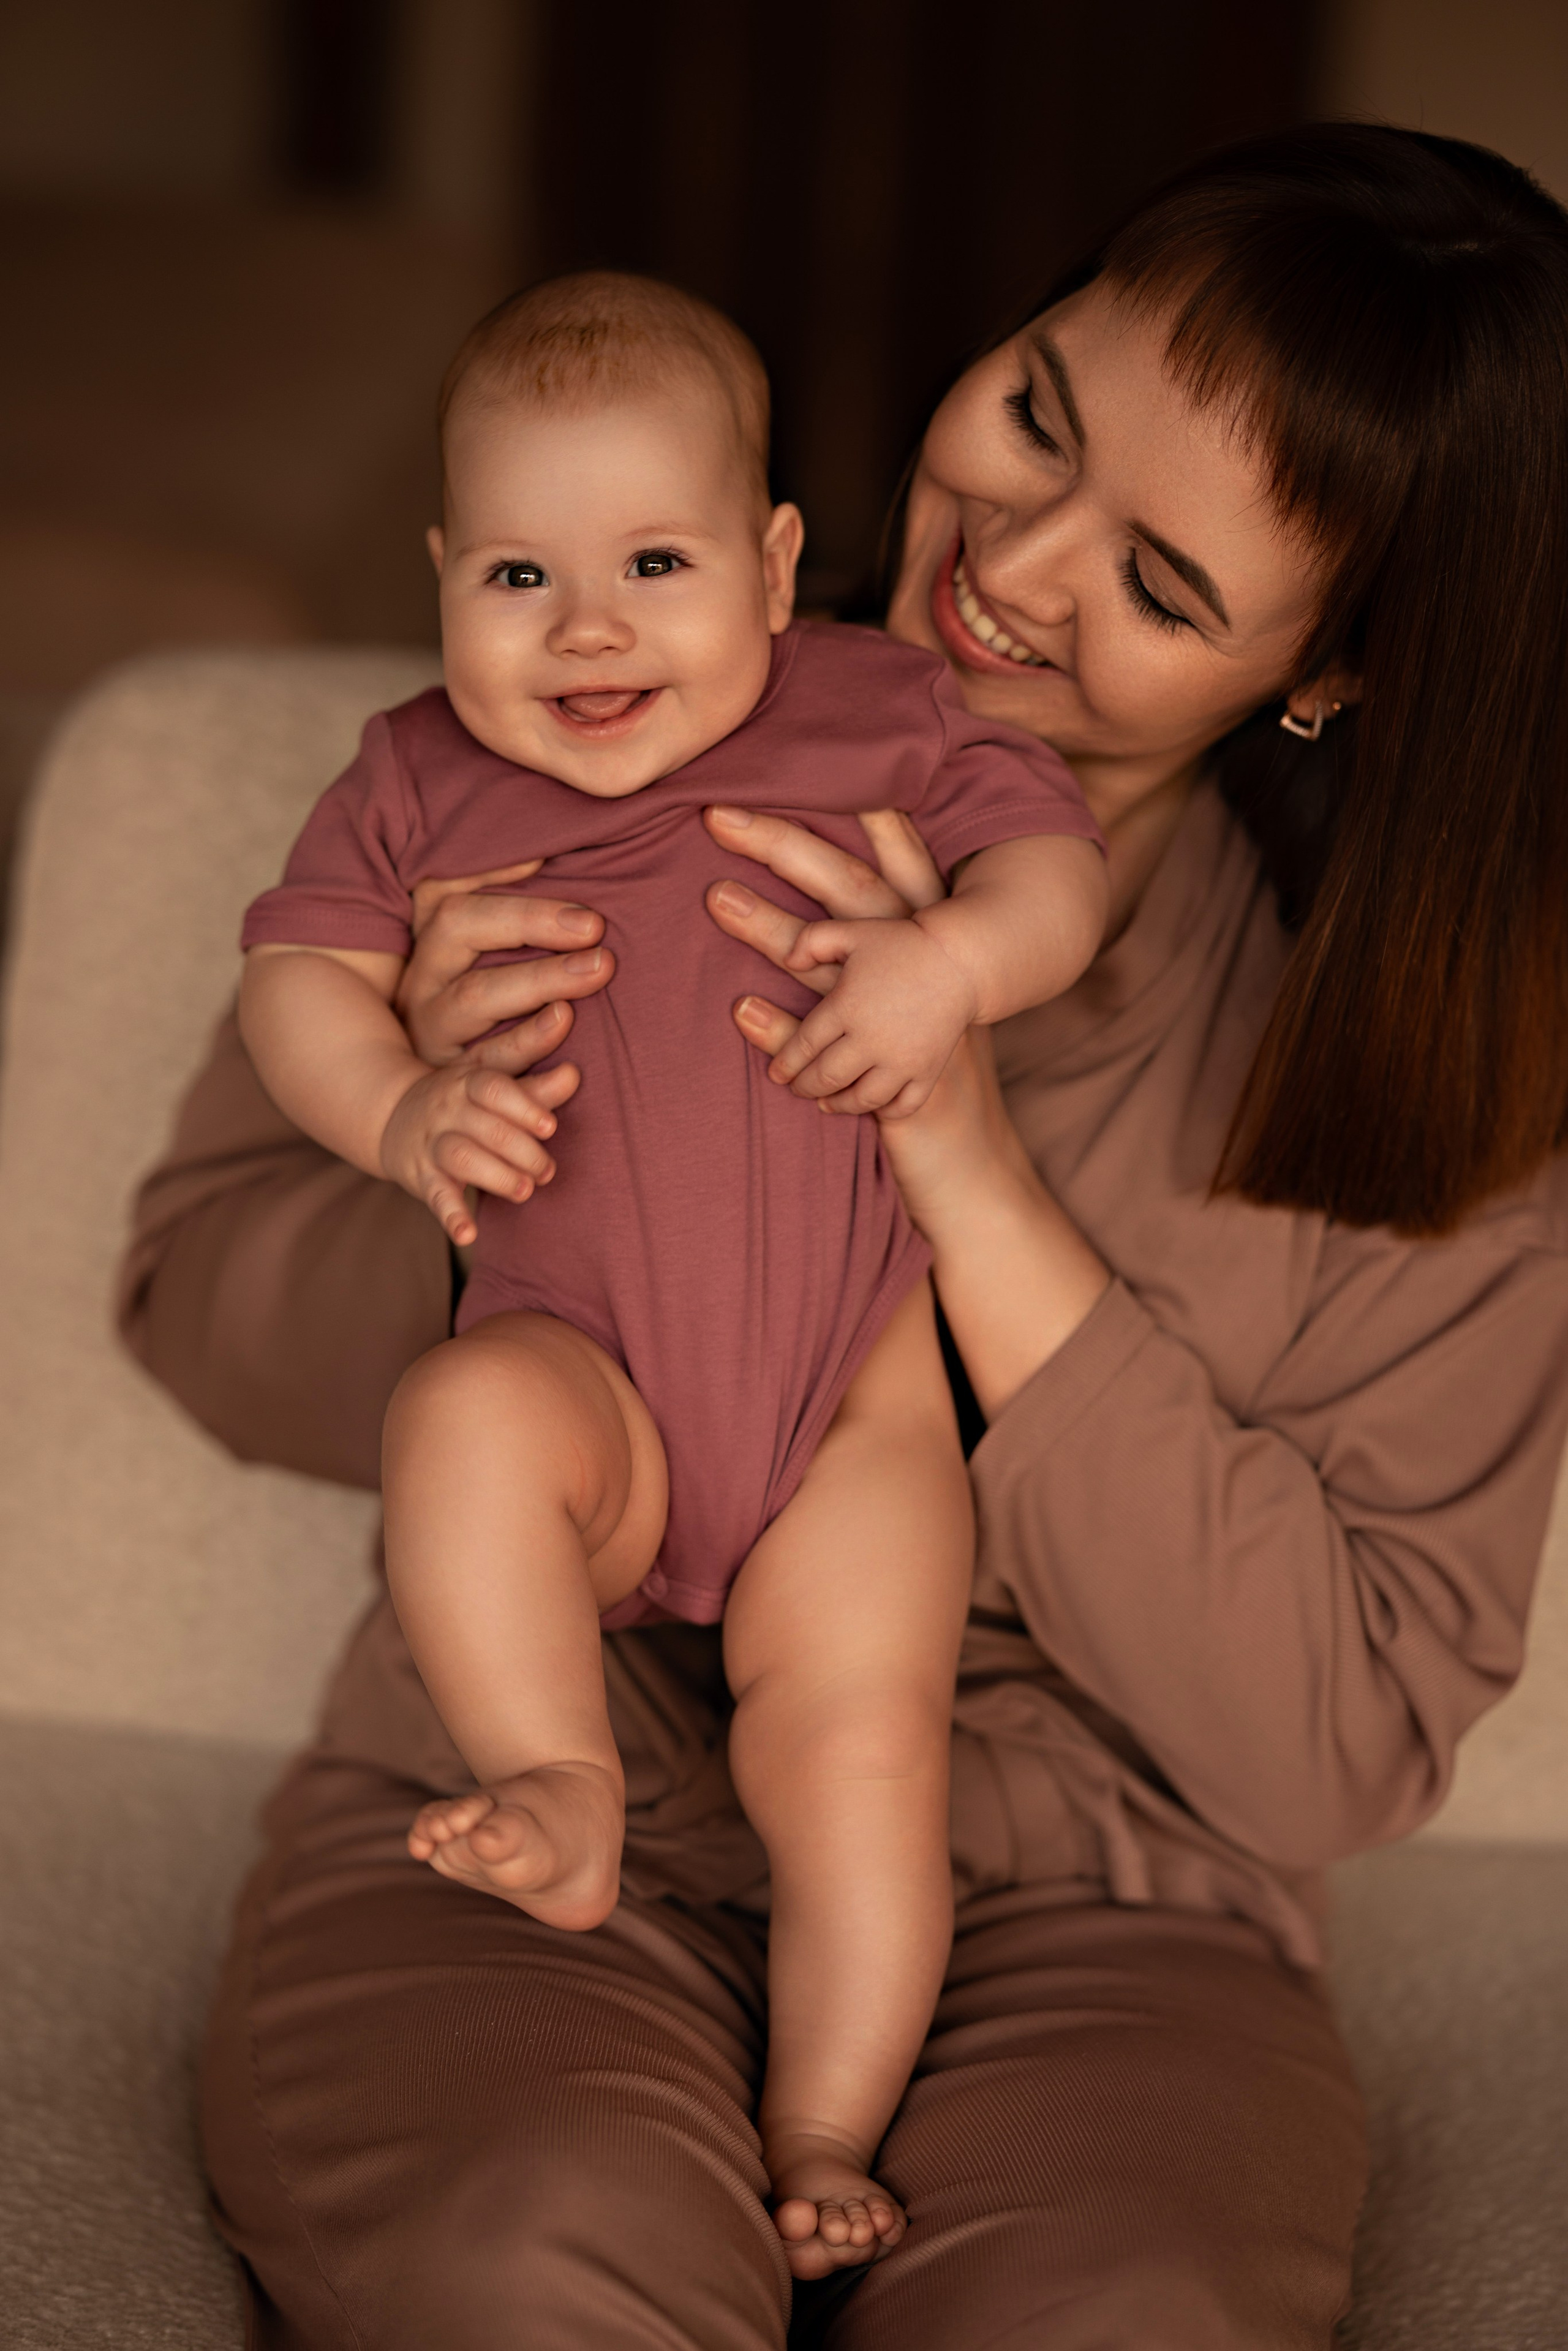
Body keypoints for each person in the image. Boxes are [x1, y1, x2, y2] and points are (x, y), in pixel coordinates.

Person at [119, 123, 1568, 2348]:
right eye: (1039, 412)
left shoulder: (1424, 1096)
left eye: (1165, 585)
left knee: (1120, 2312)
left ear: (1334, 670)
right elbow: (196, 1308)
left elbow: (1337, 1742)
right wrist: (459, 1138)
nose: (1013, 560)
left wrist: (971, 1174)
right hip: (522, 1787)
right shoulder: (531, 764)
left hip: (1102, 1909)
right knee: (533, 2257)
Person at [235, 271, 1105, 2265]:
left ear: (779, 566)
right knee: (458, 1418)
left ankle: (819, 2130)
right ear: (445, 574)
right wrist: (393, 1110)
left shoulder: (888, 714)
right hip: (587, 1388)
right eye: (522, 574)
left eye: (655, 559)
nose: (590, 629)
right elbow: (297, 979)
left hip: (842, 1415)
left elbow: (1052, 870)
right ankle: (563, 1772)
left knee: (867, 1747)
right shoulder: (413, 774)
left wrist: (952, 966)